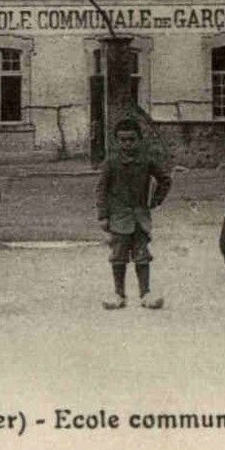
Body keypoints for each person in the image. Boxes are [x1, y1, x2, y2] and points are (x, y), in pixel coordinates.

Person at [96, 116, 172, 309]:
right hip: (119, 218)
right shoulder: (111, 163)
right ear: (116, 141)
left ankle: (145, 294)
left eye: (131, 139)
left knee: (142, 255)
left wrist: (155, 200)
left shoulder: (146, 161)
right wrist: (103, 215)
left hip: (140, 217)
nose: (127, 144)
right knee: (118, 256)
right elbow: (101, 190)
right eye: (122, 140)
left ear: (139, 139)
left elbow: (165, 179)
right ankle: (119, 294)